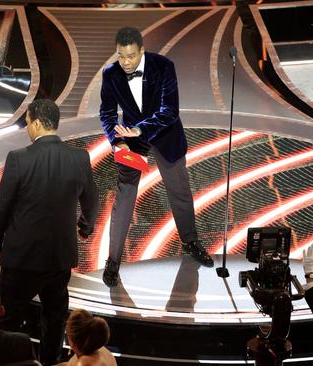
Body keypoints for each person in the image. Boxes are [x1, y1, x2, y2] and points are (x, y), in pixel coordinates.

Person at [0, 99, 99, 365]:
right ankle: (50, 362)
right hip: (58, 258)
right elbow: (92, 200)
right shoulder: (79, 158)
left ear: (36, 123)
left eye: (27, 122)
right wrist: (86, 227)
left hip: (21, 258)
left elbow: (1, 209)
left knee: (11, 317)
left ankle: (13, 362)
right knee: (54, 317)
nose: (27, 127)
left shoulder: (18, 159)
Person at [99, 26, 213, 287]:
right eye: (120, 56)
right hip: (131, 141)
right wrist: (117, 141)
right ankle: (113, 260)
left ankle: (191, 242)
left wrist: (141, 128)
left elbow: (170, 110)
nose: (125, 62)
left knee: (180, 191)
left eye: (131, 56)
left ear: (142, 51)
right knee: (124, 198)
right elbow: (106, 112)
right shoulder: (111, 74)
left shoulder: (163, 66)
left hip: (164, 135)